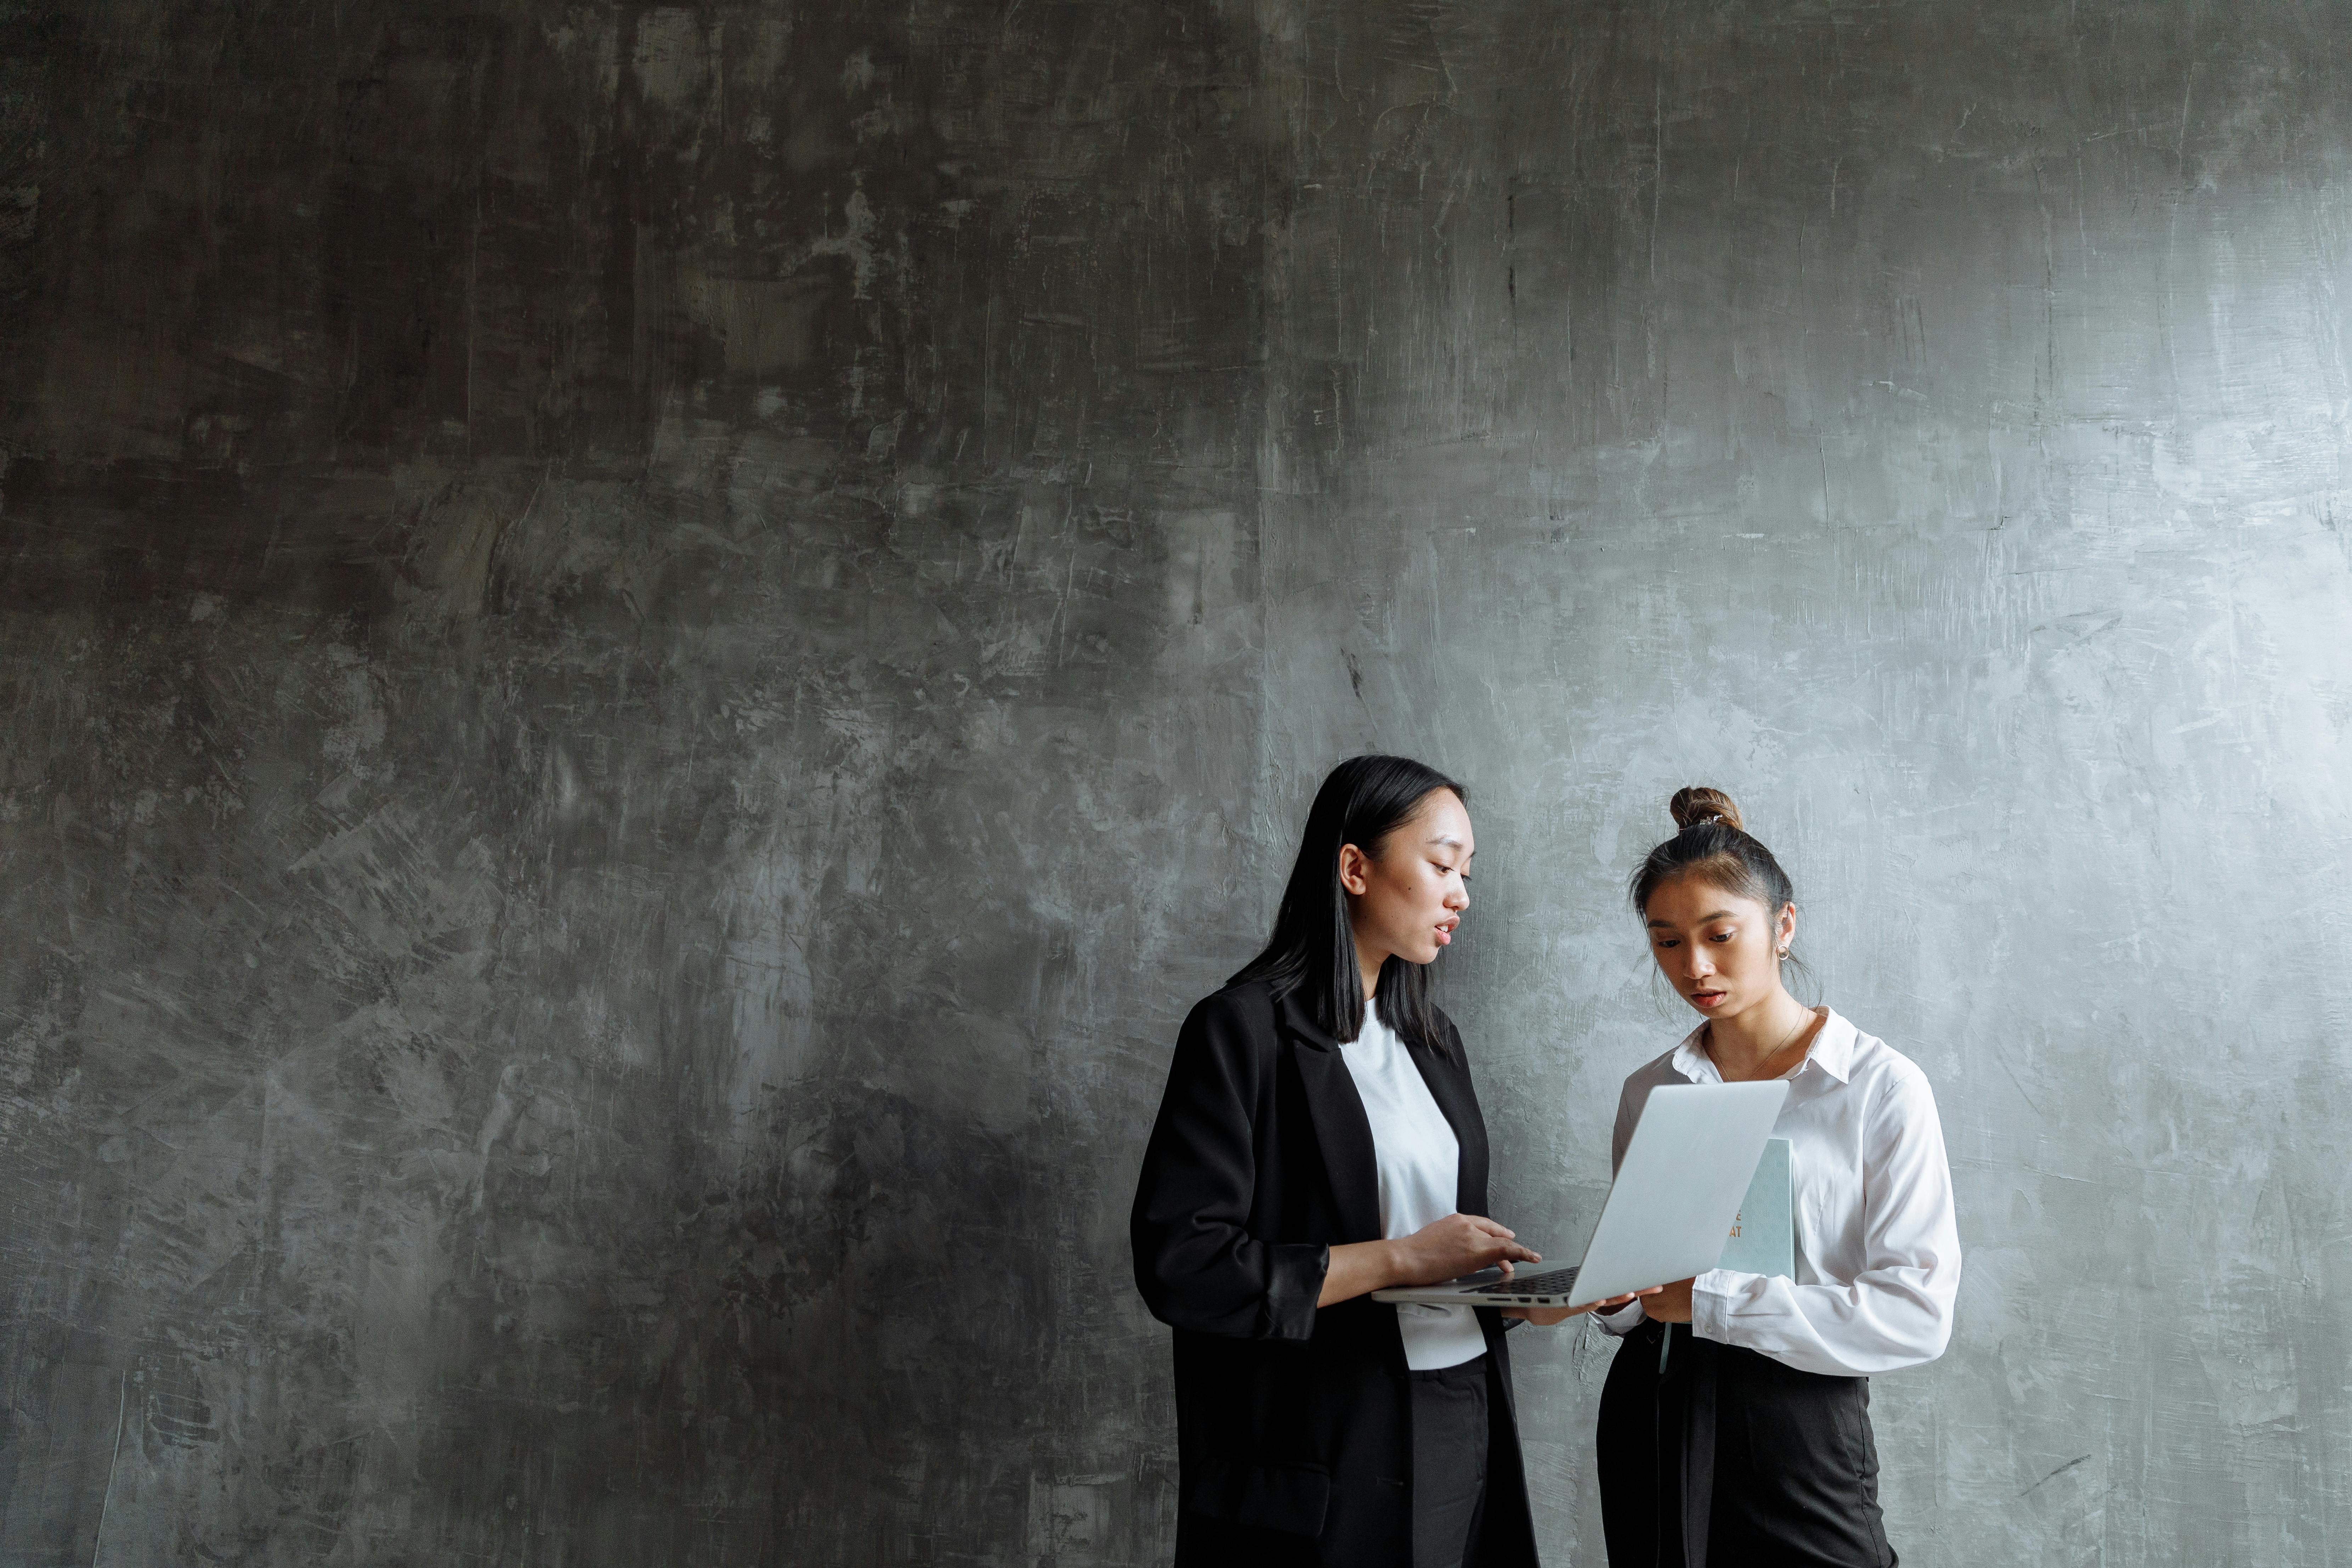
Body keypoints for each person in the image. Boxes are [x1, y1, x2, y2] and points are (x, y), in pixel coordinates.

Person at [1131, 755, 1644, 1568]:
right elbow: (1184, 1268)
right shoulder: (1240, 1033)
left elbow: (1429, 1264)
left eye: (1465, 873)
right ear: (1354, 867)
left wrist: (1518, 1299)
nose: (1460, 894)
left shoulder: (1435, 1046)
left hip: (1464, 1405)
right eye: (1441, 864)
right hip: (1325, 1445)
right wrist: (1403, 1257)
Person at [1591, 787, 1962, 1567]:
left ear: (1782, 927)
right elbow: (1643, 1287)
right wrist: (1618, 1298)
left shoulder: (1876, 1087)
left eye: (1719, 935)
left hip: (1798, 1416)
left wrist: (1713, 1301)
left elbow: (1917, 1313)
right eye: (1665, 942)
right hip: (1656, 1399)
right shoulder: (1649, 1090)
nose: (1693, 966)